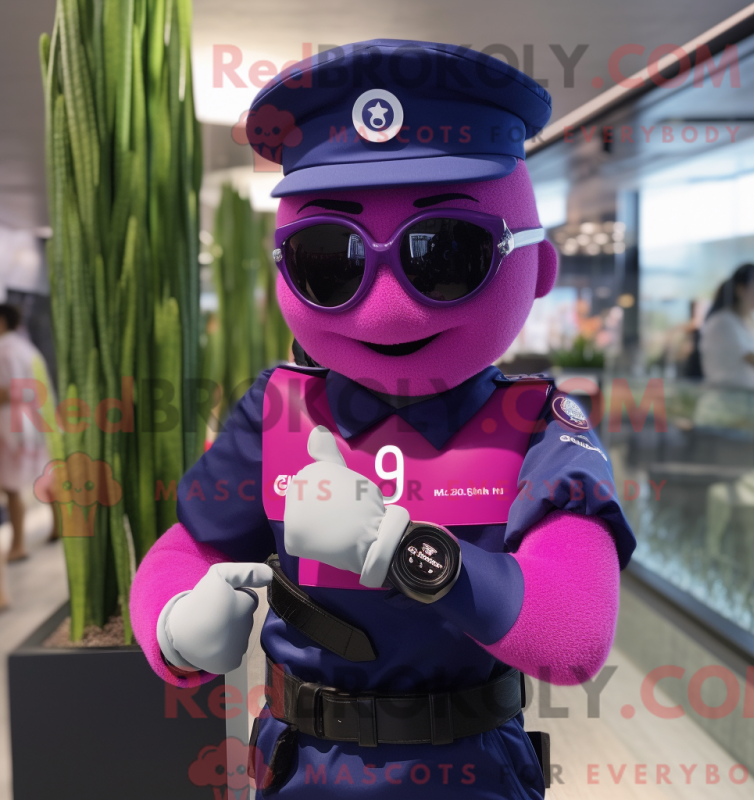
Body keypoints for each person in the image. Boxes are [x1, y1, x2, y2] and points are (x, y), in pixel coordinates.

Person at [130, 41, 636, 799]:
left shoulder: (538, 428)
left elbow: (573, 634)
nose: (387, 306)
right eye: (329, 260)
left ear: (539, 266)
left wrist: (401, 551)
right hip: (301, 768)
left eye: (447, 255)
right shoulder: (278, 411)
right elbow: (189, 545)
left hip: (472, 774)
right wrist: (173, 625)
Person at [0, 303, 52, 573]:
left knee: (10, 487)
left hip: (11, 425)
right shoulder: (25, 347)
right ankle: (59, 526)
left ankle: (18, 544)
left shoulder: (4, 350)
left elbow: (8, 391)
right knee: (45, 474)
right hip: (34, 419)